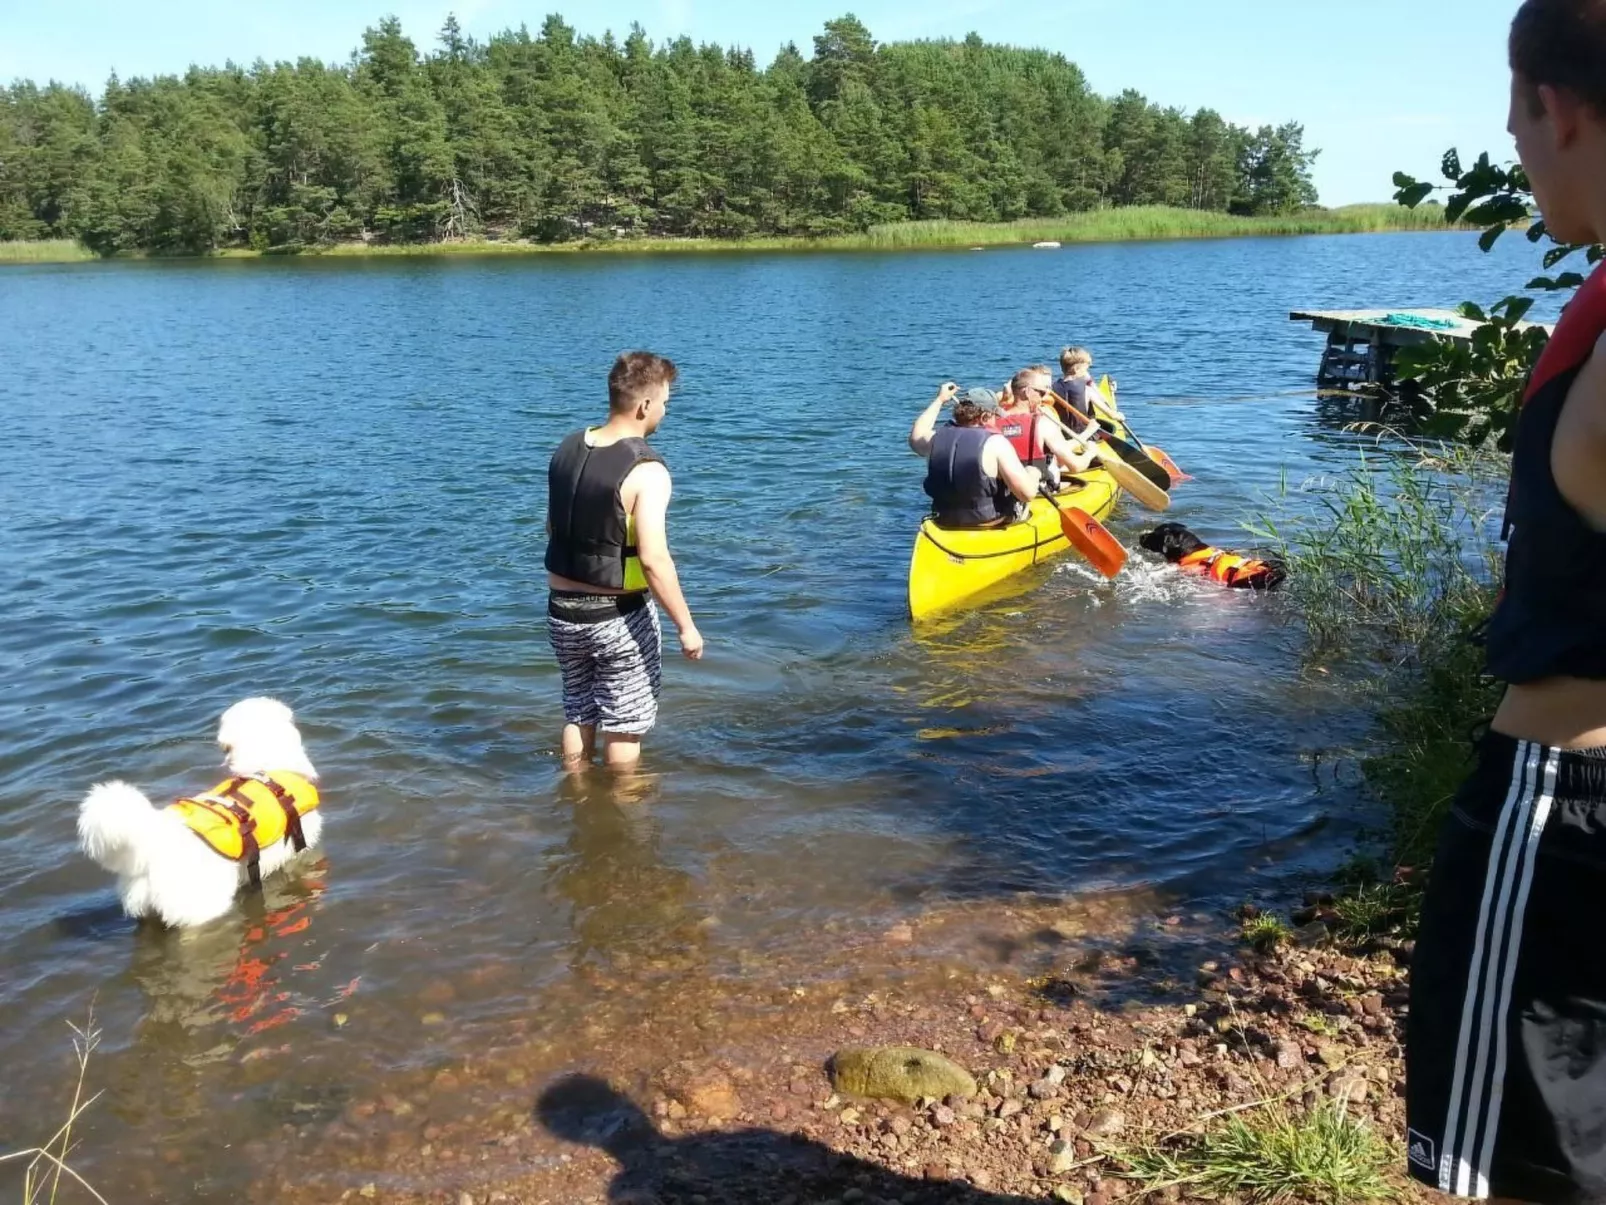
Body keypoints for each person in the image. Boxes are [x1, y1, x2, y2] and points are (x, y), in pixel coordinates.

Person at [1404, 3, 1606, 1202]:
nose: (1515, 143)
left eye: (1511, 113)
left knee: (1530, 1174)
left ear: (1554, 107)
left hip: (1567, 811)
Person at [544, 351, 703, 773]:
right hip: (618, 617)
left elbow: (551, 526)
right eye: (665, 402)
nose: (664, 411)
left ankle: (576, 792)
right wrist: (686, 626)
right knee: (625, 723)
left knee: (579, 711)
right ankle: (623, 812)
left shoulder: (567, 448)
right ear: (645, 405)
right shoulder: (647, 470)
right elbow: (652, 559)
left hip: (561, 611)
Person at [908, 383, 1041, 528]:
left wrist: (940, 400)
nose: (996, 420)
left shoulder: (935, 439)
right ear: (984, 416)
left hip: (943, 520)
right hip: (988, 522)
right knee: (1030, 475)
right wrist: (1033, 475)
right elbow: (1026, 494)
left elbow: (916, 437)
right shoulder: (996, 443)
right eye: (994, 416)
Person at [997, 364, 1098, 481]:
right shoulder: (1042, 423)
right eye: (1042, 392)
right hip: (1036, 489)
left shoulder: (993, 420)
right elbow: (1076, 466)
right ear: (1027, 392)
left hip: (1003, 489)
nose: (1044, 398)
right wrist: (1090, 452)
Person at [1051, 346, 1121, 429]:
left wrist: (1090, 381)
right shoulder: (1087, 390)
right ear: (1077, 369)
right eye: (1086, 369)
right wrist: (1120, 416)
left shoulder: (1052, 387)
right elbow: (1111, 415)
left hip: (1062, 434)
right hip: (1084, 434)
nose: (1087, 373)